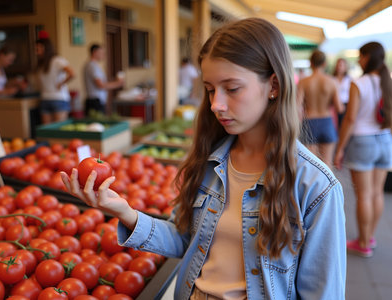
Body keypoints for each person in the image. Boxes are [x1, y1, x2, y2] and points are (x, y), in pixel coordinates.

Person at [62, 18, 346, 299]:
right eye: (210, 89)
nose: (216, 105)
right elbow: (184, 239)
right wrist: (124, 211)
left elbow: (323, 292)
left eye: (232, 89)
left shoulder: (316, 186)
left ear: (273, 85)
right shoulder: (209, 161)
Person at [335, 42, 392, 258]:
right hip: (385, 141)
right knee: (377, 193)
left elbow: (350, 119)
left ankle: (363, 242)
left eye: (360, 56)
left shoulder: (358, 83)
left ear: (368, 57)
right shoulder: (389, 82)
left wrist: (340, 149)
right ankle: (370, 237)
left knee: (364, 196)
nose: (358, 60)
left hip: (362, 142)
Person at [297, 50, 344, 167]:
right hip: (327, 122)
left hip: (309, 123)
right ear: (324, 64)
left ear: (311, 63)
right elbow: (339, 108)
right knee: (327, 166)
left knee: (310, 165)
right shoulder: (332, 82)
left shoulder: (303, 82)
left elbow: (297, 106)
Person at [35, 35, 75, 124]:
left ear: (46, 48)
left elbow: (72, 73)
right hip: (45, 99)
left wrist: (61, 83)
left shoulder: (57, 60)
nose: (37, 52)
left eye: (38, 49)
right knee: (47, 131)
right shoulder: (41, 64)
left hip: (59, 98)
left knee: (59, 130)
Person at [84, 44, 124, 115]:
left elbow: (102, 82)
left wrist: (115, 81)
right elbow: (100, 85)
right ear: (95, 52)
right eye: (101, 53)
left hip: (98, 101)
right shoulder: (92, 66)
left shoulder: (95, 65)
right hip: (95, 102)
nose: (103, 55)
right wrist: (117, 84)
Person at [333, 58, 352, 126]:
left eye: (341, 65)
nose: (339, 67)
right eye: (338, 65)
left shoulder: (349, 79)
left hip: (346, 105)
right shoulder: (332, 79)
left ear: (345, 67)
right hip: (334, 106)